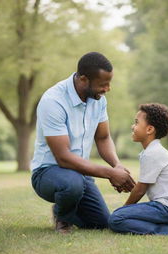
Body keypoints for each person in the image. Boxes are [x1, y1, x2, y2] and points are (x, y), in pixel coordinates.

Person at [31, 52, 135, 234]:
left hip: (80, 174)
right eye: (103, 84)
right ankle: (63, 218)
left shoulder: (98, 100)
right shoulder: (53, 101)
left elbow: (102, 137)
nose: (108, 89)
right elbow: (63, 158)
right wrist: (110, 173)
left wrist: (117, 165)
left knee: (101, 222)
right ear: (84, 80)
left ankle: (64, 207)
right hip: (48, 172)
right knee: (72, 184)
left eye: (109, 83)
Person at [108, 103, 168, 235]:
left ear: (149, 129)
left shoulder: (153, 153)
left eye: (136, 123)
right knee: (119, 215)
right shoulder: (153, 151)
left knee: (117, 218)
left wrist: (124, 210)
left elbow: (140, 190)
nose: (132, 126)